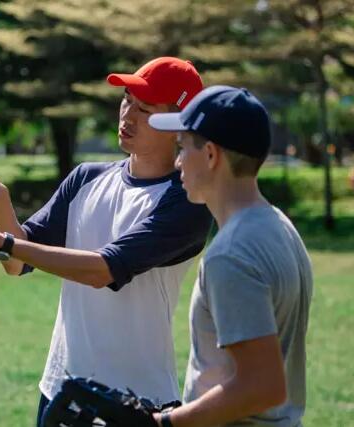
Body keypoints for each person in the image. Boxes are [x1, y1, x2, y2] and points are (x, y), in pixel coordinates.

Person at [0, 57, 212, 426]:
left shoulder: (187, 202)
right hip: (60, 389)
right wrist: (0, 204)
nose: (127, 115)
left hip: (135, 405)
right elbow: (17, 263)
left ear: (179, 125)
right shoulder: (84, 179)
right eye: (127, 100)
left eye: (144, 108)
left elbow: (103, 269)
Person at [148, 86, 313, 427]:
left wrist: (165, 423)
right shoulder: (278, 225)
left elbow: (263, 386)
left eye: (183, 147)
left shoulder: (230, 254)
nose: (178, 161)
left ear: (211, 155)